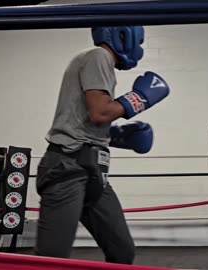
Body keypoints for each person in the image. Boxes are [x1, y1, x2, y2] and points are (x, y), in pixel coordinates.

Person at [35, 26, 170, 264]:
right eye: (138, 40)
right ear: (121, 35)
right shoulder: (98, 56)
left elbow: (87, 119)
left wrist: (116, 135)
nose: (138, 48)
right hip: (67, 168)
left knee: (122, 251)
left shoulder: (97, 61)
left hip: (94, 170)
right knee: (51, 261)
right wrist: (140, 98)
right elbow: (100, 112)